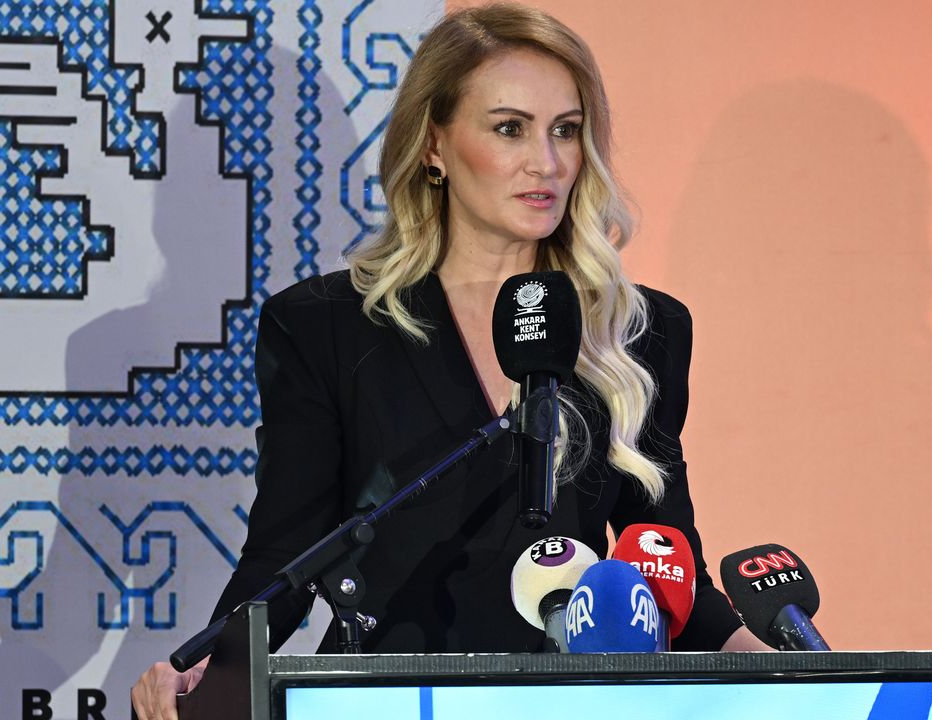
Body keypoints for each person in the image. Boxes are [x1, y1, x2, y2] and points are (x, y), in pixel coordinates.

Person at [133, 3, 767, 717]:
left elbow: (669, 569)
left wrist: (802, 675)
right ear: (433, 144)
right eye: (510, 128)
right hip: (384, 704)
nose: (548, 162)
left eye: (566, 129)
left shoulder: (638, 330)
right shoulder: (325, 326)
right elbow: (285, 555)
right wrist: (210, 673)